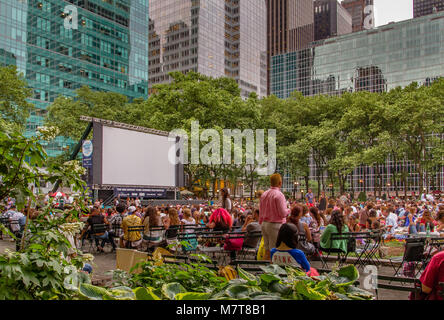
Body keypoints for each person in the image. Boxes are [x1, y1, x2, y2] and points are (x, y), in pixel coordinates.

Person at [259, 173, 290, 261]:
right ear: (280, 183)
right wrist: (289, 210)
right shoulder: (279, 195)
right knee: (274, 251)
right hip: (275, 225)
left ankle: (265, 271)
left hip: (264, 224)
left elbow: (261, 211)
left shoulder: (264, 194)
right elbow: (283, 213)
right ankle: (272, 272)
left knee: (267, 249)